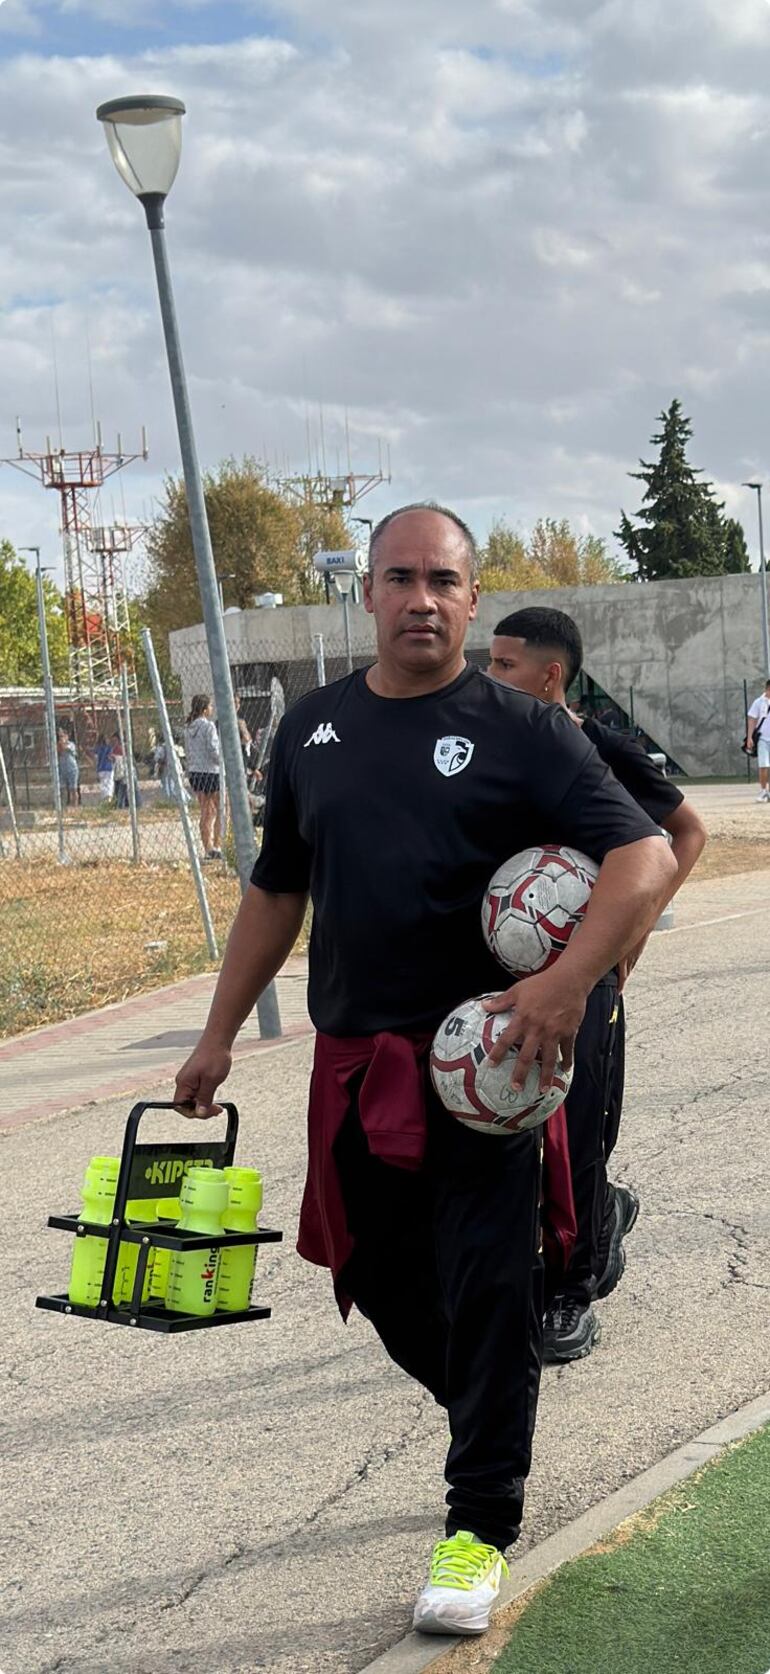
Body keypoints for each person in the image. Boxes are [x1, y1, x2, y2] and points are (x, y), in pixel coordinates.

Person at [173, 505, 675, 1638]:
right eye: (399, 578)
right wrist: (215, 1034)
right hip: (357, 1063)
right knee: (385, 1281)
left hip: (488, 1067)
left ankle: (477, 1521)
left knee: (488, 1284)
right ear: (367, 593)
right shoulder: (311, 730)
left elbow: (644, 853)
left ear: (469, 595)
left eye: (442, 581)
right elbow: (275, 892)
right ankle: (490, 1409)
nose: (420, 599)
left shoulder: (524, 730)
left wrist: (563, 986)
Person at [488, 608, 706, 1362]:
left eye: (506, 664)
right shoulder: (489, 749)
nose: (491, 677)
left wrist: (636, 929)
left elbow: (688, 833)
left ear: (550, 675)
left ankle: (571, 1289)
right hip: (502, 974)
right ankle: (593, 1218)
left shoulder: (602, 749)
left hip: (585, 977)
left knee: (577, 1128)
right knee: (503, 1119)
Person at [185, 695, 222, 859]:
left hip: (195, 772)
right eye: (210, 706)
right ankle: (218, 845)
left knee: (205, 812)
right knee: (221, 809)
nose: (212, 709)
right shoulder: (209, 727)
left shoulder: (189, 728)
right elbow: (213, 750)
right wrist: (223, 760)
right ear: (205, 709)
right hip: (211, 771)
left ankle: (208, 849)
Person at [746, 678, 770, 801]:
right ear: (767, 689)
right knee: (763, 766)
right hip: (762, 739)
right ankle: (763, 791)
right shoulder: (759, 702)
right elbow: (752, 720)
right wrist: (749, 737)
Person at [57, 729, 80, 807]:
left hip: (72, 769)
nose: (61, 738)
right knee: (63, 788)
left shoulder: (71, 744)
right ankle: (64, 805)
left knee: (73, 789)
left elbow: (65, 748)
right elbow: (59, 751)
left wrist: (63, 742)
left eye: (62, 736)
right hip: (63, 769)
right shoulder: (58, 745)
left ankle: (75, 805)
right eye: (60, 736)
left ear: (67, 736)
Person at [93, 733, 114, 802]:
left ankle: (104, 798)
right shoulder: (109, 748)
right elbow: (110, 757)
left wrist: (96, 768)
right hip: (109, 767)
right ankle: (109, 797)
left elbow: (96, 759)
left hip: (101, 768)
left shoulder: (97, 748)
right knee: (109, 783)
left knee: (103, 783)